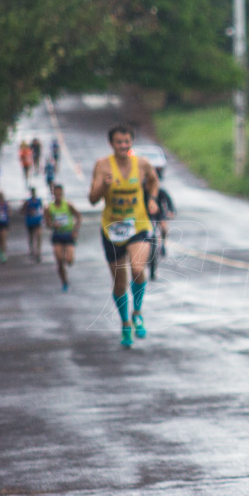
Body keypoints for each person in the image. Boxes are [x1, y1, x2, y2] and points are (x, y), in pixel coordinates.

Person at [89, 124, 159, 347]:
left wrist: (152, 199)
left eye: (127, 141)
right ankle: (125, 323)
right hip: (112, 229)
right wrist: (104, 186)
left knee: (138, 269)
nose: (123, 146)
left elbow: (154, 180)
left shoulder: (142, 163)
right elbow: (92, 199)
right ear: (112, 143)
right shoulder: (102, 166)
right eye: (119, 142)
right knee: (120, 284)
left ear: (132, 142)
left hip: (138, 224)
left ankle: (137, 312)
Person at [45, 184, 82, 292]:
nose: (58, 195)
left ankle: (67, 257)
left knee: (69, 261)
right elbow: (47, 223)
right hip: (57, 235)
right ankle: (64, 282)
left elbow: (78, 216)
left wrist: (75, 230)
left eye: (60, 193)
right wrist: (52, 224)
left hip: (68, 234)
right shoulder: (49, 208)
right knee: (59, 260)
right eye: (56, 193)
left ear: (62, 194)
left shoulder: (68, 205)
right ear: (53, 194)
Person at [146, 174, 176, 280]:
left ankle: (163, 244)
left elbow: (169, 203)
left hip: (159, 215)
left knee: (164, 227)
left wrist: (171, 212)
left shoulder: (161, 192)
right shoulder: (142, 192)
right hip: (145, 216)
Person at [21, 187, 44, 262]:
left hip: (37, 222)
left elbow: (42, 210)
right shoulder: (27, 202)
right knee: (31, 236)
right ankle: (32, 250)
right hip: (30, 222)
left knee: (39, 236)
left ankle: (38, 252)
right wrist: (28, 212)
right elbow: (22, 211)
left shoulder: (39, 201)